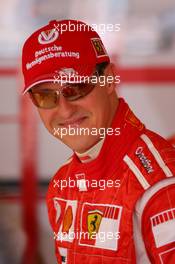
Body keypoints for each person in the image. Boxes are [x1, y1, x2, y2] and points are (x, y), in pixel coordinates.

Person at [21, 19, 175, 264]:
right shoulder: (62, 185)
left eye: (77, 87)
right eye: (45, 96)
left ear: (110, 79)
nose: (64, 110)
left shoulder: (160, 185)